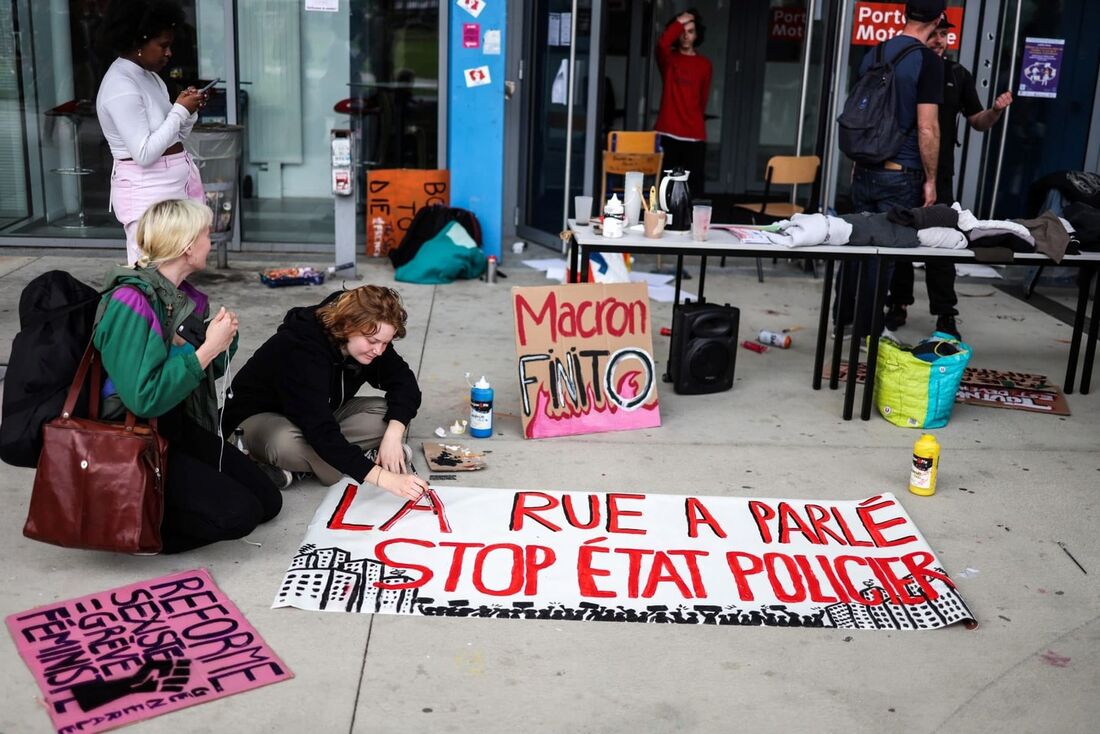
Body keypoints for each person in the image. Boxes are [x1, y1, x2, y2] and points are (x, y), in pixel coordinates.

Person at [93, 199, 282, 553]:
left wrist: (221, 341)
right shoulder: (130, 302)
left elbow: (207, 370)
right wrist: (207, 348)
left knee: (269, 502)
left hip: (176, 424)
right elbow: (142, 398)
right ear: (186, 246)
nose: (212, 242)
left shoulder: (182, 299)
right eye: (207, 235)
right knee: (240, 515)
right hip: (134, 436)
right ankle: (128, 523)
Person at [223, 286, 428, 502]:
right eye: (373, 342)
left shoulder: (371, 335)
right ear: (348, 326)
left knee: (388, 414)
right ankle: (349, 462)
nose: (378, 350)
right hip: (257, 421)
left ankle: (308, 466)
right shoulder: (302, 348)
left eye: (385, 343)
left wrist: (393, 436)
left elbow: (405, 382)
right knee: (285, 443)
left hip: (317, 415)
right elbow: (319, 429)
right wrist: (383, 478)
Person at [884, 16, 1014, 340]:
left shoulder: (957, 75)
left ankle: (945, 313)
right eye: (935, 32)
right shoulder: (905, 70)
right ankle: (898, 303)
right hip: (901, 172)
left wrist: (996, 111)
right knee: (899, 239)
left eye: (944, 34)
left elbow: (978, 121)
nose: (939, 39)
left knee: (943, 243)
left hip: (938, 175)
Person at [838, 0, 945, 340]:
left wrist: (858, 163)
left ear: (904, 14)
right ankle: (868, 334)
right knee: (881, 256)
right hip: (901, 173)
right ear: (938, 18)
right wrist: (930, 179)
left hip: (866, 167)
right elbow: (927, 128)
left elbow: (863, 116)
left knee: (854, 244)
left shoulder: (874, 53)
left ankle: (842, 322)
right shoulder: (927, 62)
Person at [95, 0, 209, 266]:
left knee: (173, 273)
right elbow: (144, 153)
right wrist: (179, 110)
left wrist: (187, 111)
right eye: (163, 45)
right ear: (138, 42)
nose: (169, 53)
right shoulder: (121, 85)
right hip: (147, 195)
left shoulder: (151, 77)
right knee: (149, 275)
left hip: (168, 190)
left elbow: (174, 135)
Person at [654, 8, 712, 194]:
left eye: (690, 31)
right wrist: (680, 21)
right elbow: (662, 44)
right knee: (665, 188)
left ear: (697, 35)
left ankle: (691, 224)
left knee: (693, 188)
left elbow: (702, 100)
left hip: (694, 134)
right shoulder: (669, 60)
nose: (686, 36)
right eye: (682, 31)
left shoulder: (705, 65)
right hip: (668, 132)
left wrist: (695, 119)